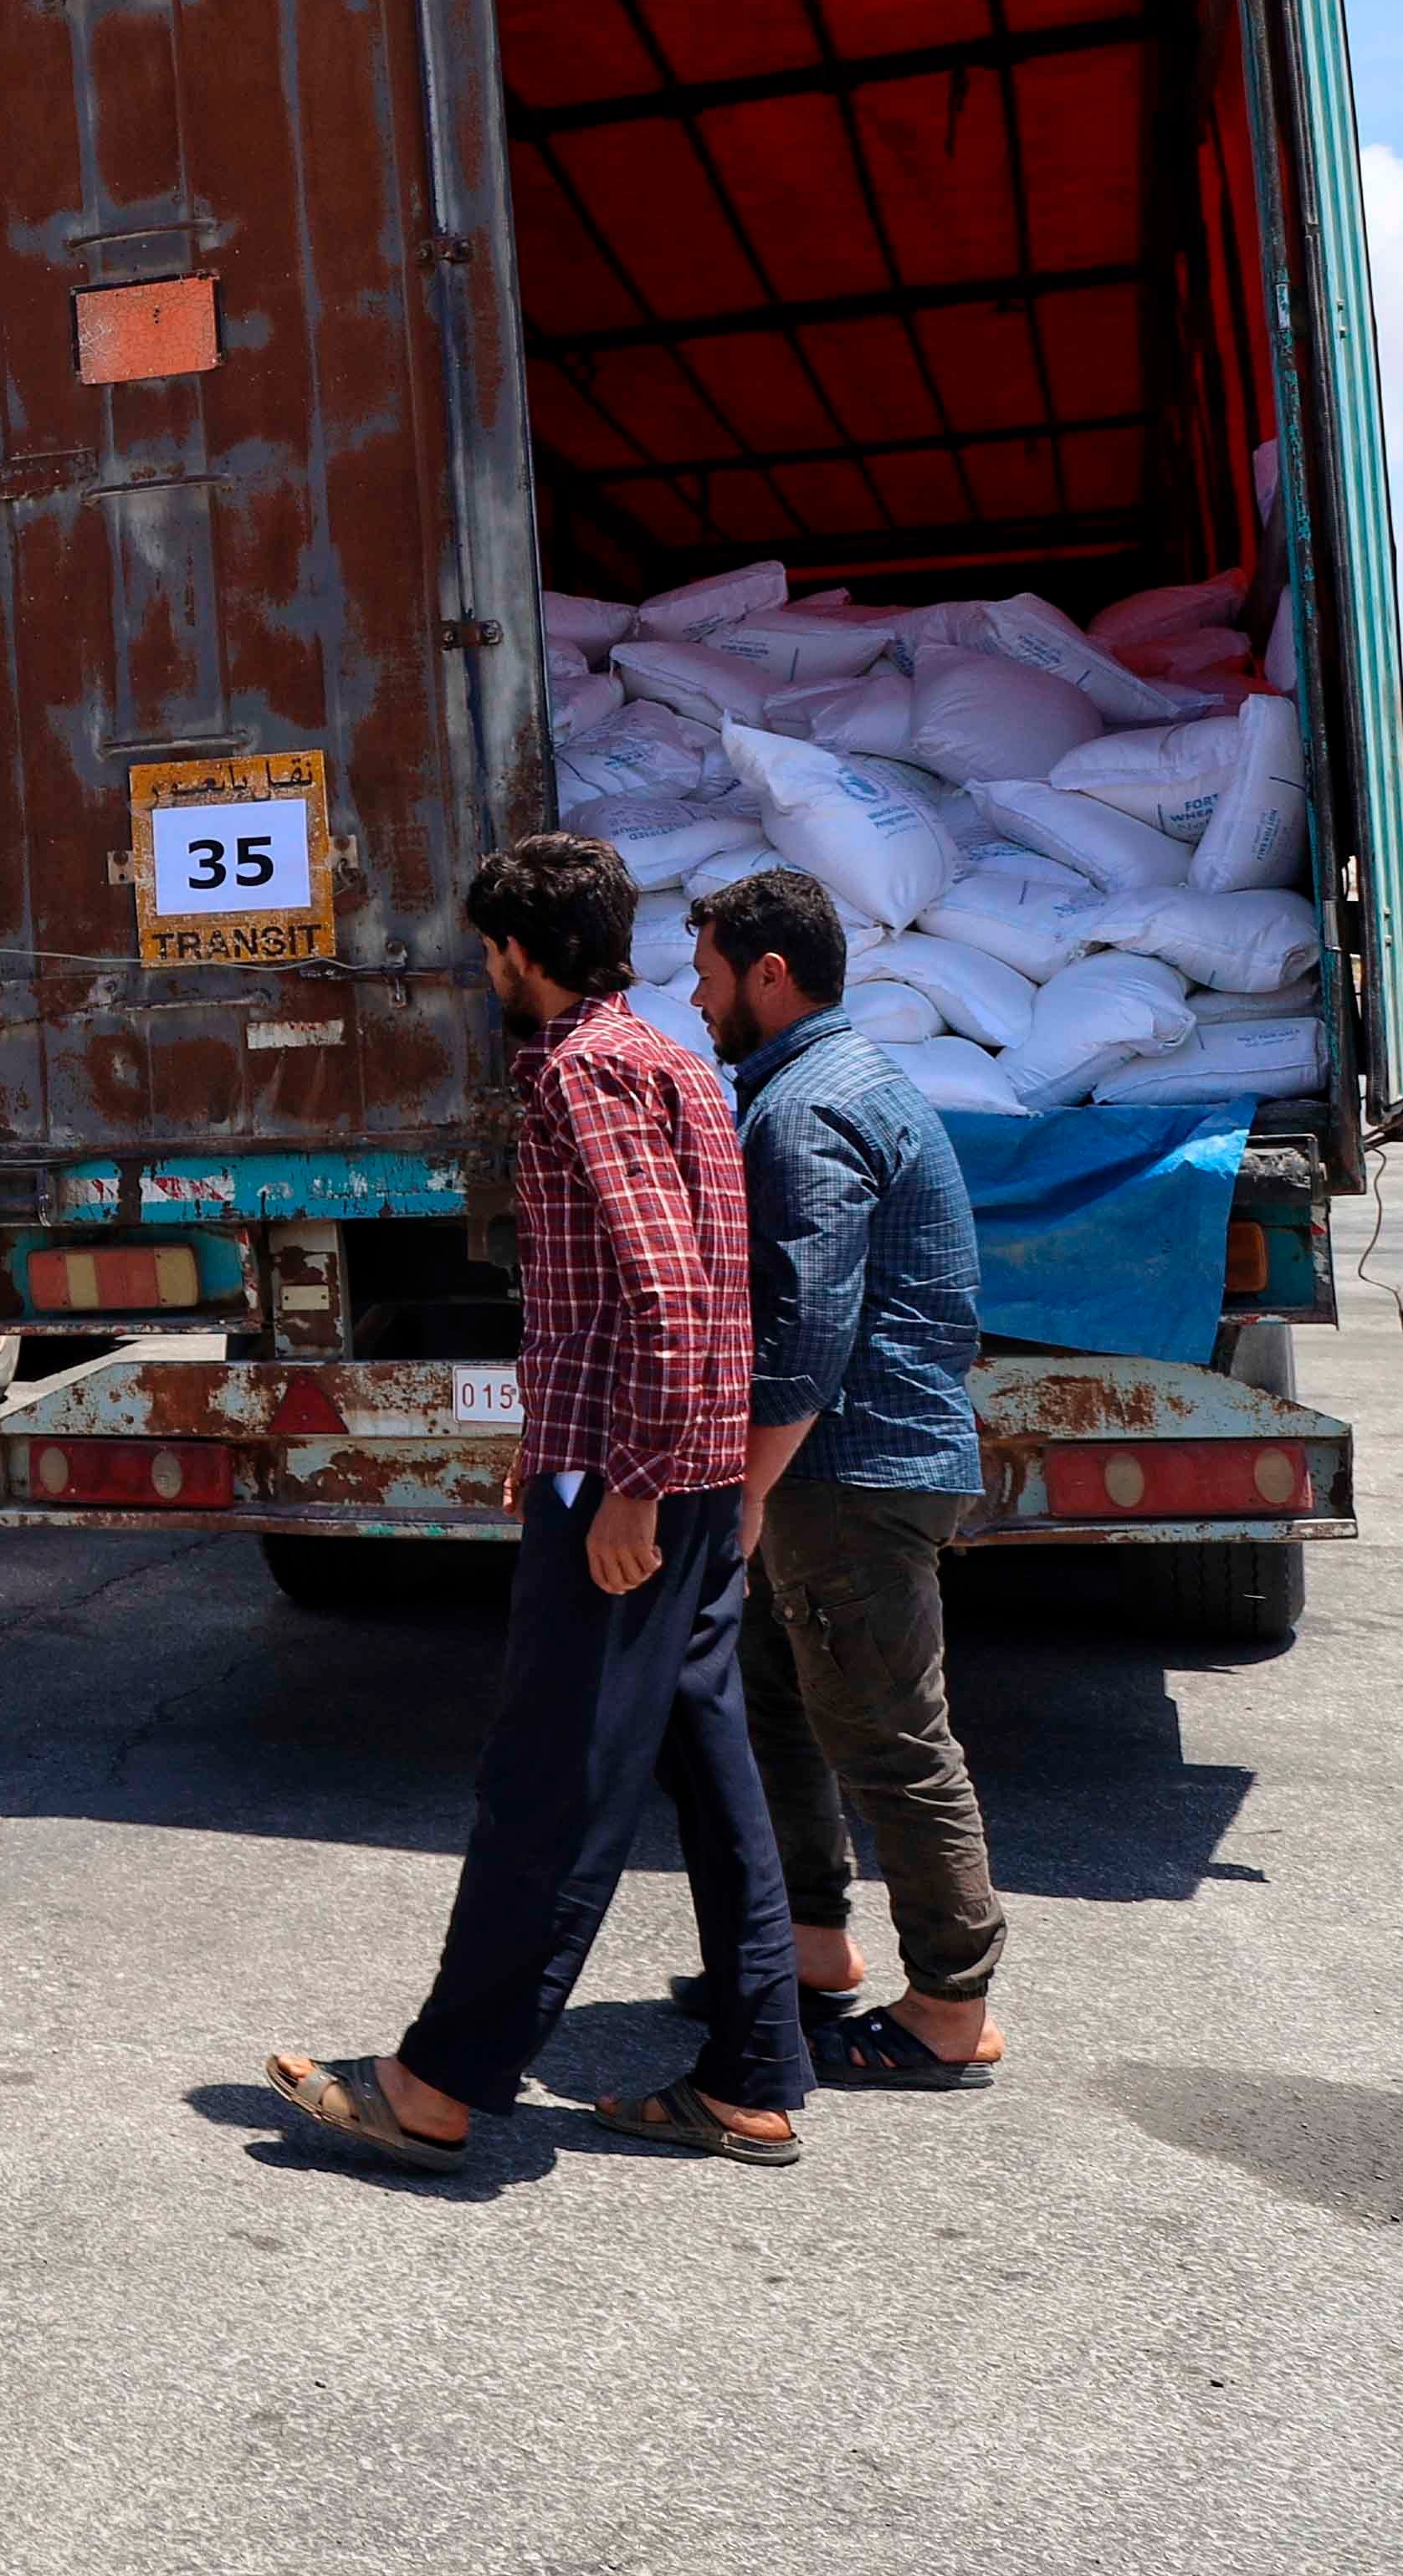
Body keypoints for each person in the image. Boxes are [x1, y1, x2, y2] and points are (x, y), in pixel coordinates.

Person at [265, 832, 810, 2173]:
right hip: (679, 1476)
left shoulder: (587, 1075)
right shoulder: (679, 1059)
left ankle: (441, 2085)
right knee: (709, 1757)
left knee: (545, 1784)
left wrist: (626, 1490)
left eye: (488, 951)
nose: (484, 972)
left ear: (520, 952)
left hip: (625, 1486)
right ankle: (753, 2068)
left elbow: (667, 1299)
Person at [691, 866, 1006, 2091]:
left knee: (887, 1736)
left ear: (772, 975)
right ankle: (814, 1949)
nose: (701, 998)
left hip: (849, 1470)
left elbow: (808, 1325)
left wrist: (748, 1485)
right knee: (787, 1706)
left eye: (713, 974)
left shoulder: (804, 1109)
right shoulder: (840, 1078)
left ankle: (948, 2010)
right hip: (856, 1463)